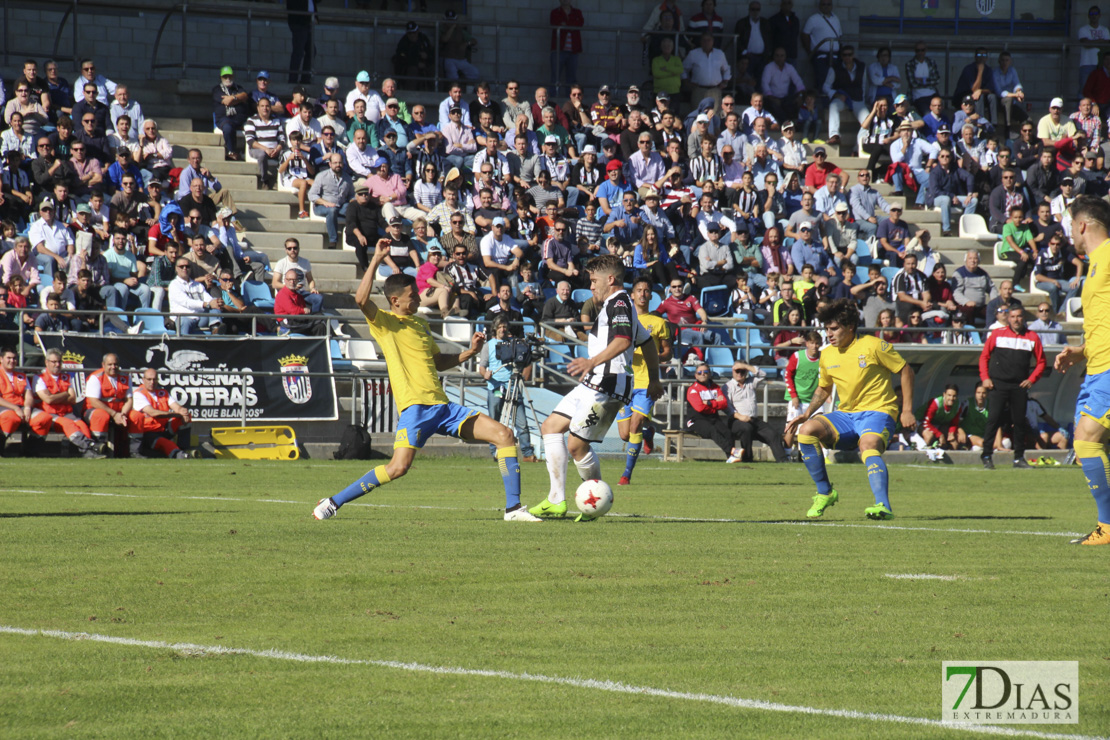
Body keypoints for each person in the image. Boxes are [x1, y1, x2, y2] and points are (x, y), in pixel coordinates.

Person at [314, 270, 539, 523]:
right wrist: (376, 259)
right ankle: (333, 502)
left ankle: (513, 509)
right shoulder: (384, 323)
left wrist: (470, 352)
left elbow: (438, 362)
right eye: (413, 297)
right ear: (395, 300)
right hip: (416, 409)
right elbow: (360, 300)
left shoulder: (420, 324)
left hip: (444, 408)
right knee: (398, 468)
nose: (419, 301)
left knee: (504, 435)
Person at [530, 255, 661, 520]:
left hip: (607, 384)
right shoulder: (617, 305)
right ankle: (556, 499)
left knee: (576, 446)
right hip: (595, 381)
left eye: (594, 281)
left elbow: (624, 341)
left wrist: (591, 361)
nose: (591, 287)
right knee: (550, 427)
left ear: (610, 280)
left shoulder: (621, 303)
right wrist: (655, 380)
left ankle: (595, 505)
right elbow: (646, 342)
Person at [785, 299, 916, 520]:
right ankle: (825, 493)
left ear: (850, 327)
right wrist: (807, 413)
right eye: (827, 329)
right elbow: (824, 387)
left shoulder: (873, 346)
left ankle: (883, 505)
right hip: (846, 415)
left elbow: (906, 371)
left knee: (868, 445)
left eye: (834, 328)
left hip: (878, 411)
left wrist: (907, 410)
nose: (829, 334)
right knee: (806, 431)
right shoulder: (827, 354)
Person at [1051, 196, 1110, 543]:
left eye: (1071, 224)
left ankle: (1107, 527)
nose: (1070, 232)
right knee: (1088, 440)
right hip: (1097, 365)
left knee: (1087, 439)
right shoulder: (1094, 264)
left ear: (1083, 225)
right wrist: (1082, 350)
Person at [615, 277, 672, 486]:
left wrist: (652, 356)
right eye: (639, 290)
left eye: (647, 291)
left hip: (647, 381)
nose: (642, 294)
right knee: (624, 434)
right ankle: (648, 434)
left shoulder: (659, 323)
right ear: (632, 294)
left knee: (635, 423)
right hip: (624, 381)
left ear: (651, 295)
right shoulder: (623, 320)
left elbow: (668, 352)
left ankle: (626, 475)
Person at [979, 305, 1045, 470]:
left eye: (1019, 316)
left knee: (1019, 422)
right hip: (998, 384)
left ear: (1024, 318)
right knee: (993, 420)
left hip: (1019, 385)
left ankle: (1018, 458)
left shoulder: (1032, 337)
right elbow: (984, 357)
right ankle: (986, 455)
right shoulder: (997, 334)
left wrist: (1031, 379)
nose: (1016, 319)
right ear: (1008, 318)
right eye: (1013, 316)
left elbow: (1041, 362)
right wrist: (985, 378)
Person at [28, 348, 105, 459]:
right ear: (47, 362)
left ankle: (87, 451)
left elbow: (73, 398)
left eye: (59, 362)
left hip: (66, 412)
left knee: (81, 425)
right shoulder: (39, 378)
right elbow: (48, 400)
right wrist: (65, 394)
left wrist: (56, 397)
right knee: (68, 424)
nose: (57, 364)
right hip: (50, 414)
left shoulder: (66, 377)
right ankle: (90, 446)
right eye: (54, 362)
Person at [127, 367, 195, 459]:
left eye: (154, 379)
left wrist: (183, 412)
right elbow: (153, 413)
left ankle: (184, 448)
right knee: (165, 443)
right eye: (149, 379)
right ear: (143, 380)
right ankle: (182, 456)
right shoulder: (138, 394)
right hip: (148, 433)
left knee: (186, 417)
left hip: (163, 429)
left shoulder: (163, 392)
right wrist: (177, 413)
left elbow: (177, 407)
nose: (152, 382)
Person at [726, 362, 788, 462]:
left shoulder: (751, 382)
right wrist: (740, 416)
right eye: (737, 370)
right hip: (736, 420)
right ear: (733, 371)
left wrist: (745, 366)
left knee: (773, 434)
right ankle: (747, 459)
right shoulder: (728, 387)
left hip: (753, 420)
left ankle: (783, 461)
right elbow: (727, 408)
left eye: (743, 371)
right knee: (746, 428)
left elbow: (763, 374)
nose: (740, 373)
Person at [83, 352, 132, 450]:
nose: (113, 367)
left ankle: (134, 451)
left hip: (119, 412)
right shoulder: (95, 377)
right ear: (103, 365)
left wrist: (122, 414)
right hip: (93, 411)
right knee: (101, 415)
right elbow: (94, 402)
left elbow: (129, 400)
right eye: (110, 364)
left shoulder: (125, 377)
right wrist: (114, 414)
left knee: (136, 416)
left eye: (116, 364)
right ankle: (97, 446)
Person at [783, 330, 822, 449]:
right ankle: (787, 454)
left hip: (814, 399)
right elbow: (787, 376)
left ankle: (820, 455)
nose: (814, 346)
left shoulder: (823, 358)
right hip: (798, 399)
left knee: (819, 427)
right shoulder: (797, 356)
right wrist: (794, 396)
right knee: (792, 426)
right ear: (807, 343)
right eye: (812, 343)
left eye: (817, 343)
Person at [308, 153, 353, 248]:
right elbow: (312, 195)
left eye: (340, 163)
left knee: (353, 209)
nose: (338, 165)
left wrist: (353, 201)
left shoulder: (347, 178)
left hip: (341, 207)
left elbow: (351, 195)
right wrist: (325, 203)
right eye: (335, 163)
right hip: (322, 207)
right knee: (332, 211)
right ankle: (333, 241)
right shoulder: (321, 176)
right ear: (330, 164)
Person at [211, 67, 249, 162]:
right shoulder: (217, 89)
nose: (228, 78)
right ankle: (231, 152)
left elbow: (245, 96)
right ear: (221, 77)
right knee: (228, 126)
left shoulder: (238, 88)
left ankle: (250, 154)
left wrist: (233, 98)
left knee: (253, 126)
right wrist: (238, 99)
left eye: (230, 76)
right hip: (224, 119)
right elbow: (227, 102)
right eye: (225, 76)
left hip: (239, 119)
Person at [0, 346, 32, 455]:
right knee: (11, 418)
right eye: (8, 358)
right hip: (5, 406)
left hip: (21, 406)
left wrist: (27, 407)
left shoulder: (21, 375)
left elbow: (28, 395)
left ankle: (31, 450)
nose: (12, 361)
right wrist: (15, 408)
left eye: (14, 358)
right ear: (1, 359)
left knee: (43, 419)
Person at [920, 384, 965, 450]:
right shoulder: (936, 403)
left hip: (941, 425)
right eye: (949, 395)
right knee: (929, 436)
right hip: (923, 423)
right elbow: (926, 422)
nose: (951, 398)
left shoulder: (957, 406)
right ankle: (922, 454)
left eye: (954, 396)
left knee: (954, 442)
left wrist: (952, 433)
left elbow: (954, 423)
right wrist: (940, 435)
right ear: (944, 394)